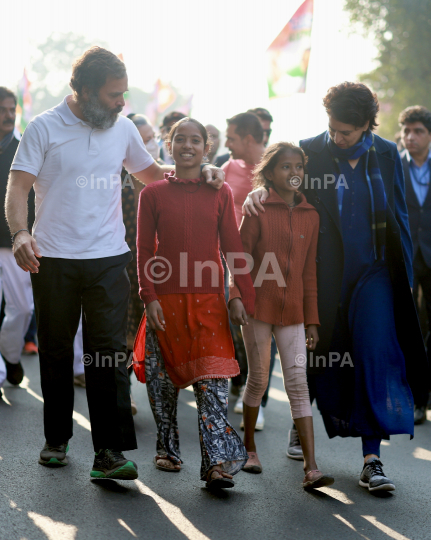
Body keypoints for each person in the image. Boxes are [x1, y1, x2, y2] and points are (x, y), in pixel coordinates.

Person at [6, 47, 224, 479]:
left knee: (106, 354)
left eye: (123, 94)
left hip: (108, 259)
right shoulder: (45, 128)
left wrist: (202, 172)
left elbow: (151, 173)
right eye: (113, 95)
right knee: (53, 351)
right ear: (84, 91)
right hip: (53, 260)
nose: (122, 102)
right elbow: (18, 188)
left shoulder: (122, 128)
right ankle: (56, 438)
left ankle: (108, 452)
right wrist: (20, 233)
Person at [243, 82, 428, 493]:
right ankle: (302, 416)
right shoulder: (311, 150)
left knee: (373, 353)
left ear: (366, 125)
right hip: (321, 272)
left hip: (375, 273)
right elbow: (279, 183)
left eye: (346, 131)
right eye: (332, 127)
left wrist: (405, 280)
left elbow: (398, 217)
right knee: (319, 351)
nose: (336, 137)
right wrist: (258, 193)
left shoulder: (386, 154)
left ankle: (371, 459)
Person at [134, 117, 255, 489]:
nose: (187, 146)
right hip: (164, 302)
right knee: (163, 381)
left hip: (208, 304)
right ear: (169, 146)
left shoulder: (219, 193)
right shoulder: (151, 194)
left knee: (213, 382)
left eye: (196, 141)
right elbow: (143, 250)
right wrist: (148, 296)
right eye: (180, 140)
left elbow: (234, 248)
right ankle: (168, 447)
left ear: (207, 148)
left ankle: (216, 463)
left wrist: (239, 295)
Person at [231, 141, 333, 489]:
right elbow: (239, 258)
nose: (294, 173)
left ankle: (311, 468)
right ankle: (249, 450)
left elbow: (309, 273)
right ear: (271, 173)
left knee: (298, 384)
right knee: (258, 379)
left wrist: (313, 319)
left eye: (299, 167)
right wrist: (235, 297)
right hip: (258, 308)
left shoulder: (311, 215)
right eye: (286, 167)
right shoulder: (257, 209)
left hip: (293, 313)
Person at [222, 112, 275, 429]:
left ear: (250, 139)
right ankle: (242, 384)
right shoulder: (228, 167)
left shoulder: (277, 167)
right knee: (236, 326)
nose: (226, 144)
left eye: (231, 138)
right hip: (233, 261)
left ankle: (259, 401)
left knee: (263, 333)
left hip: (268, 263)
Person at [0, 87, 35, 395]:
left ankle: (10, 355)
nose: (9, 115)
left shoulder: (23, 148)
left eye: (12, 110)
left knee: (22, 309)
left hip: (13, 243)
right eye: (3, 110)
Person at [399, 105, 431, 424]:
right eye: (407, 131)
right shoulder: (394, 163)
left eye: (418, 131)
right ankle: (417, 399)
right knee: (412, 329)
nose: (411, 137)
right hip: (406, 258)